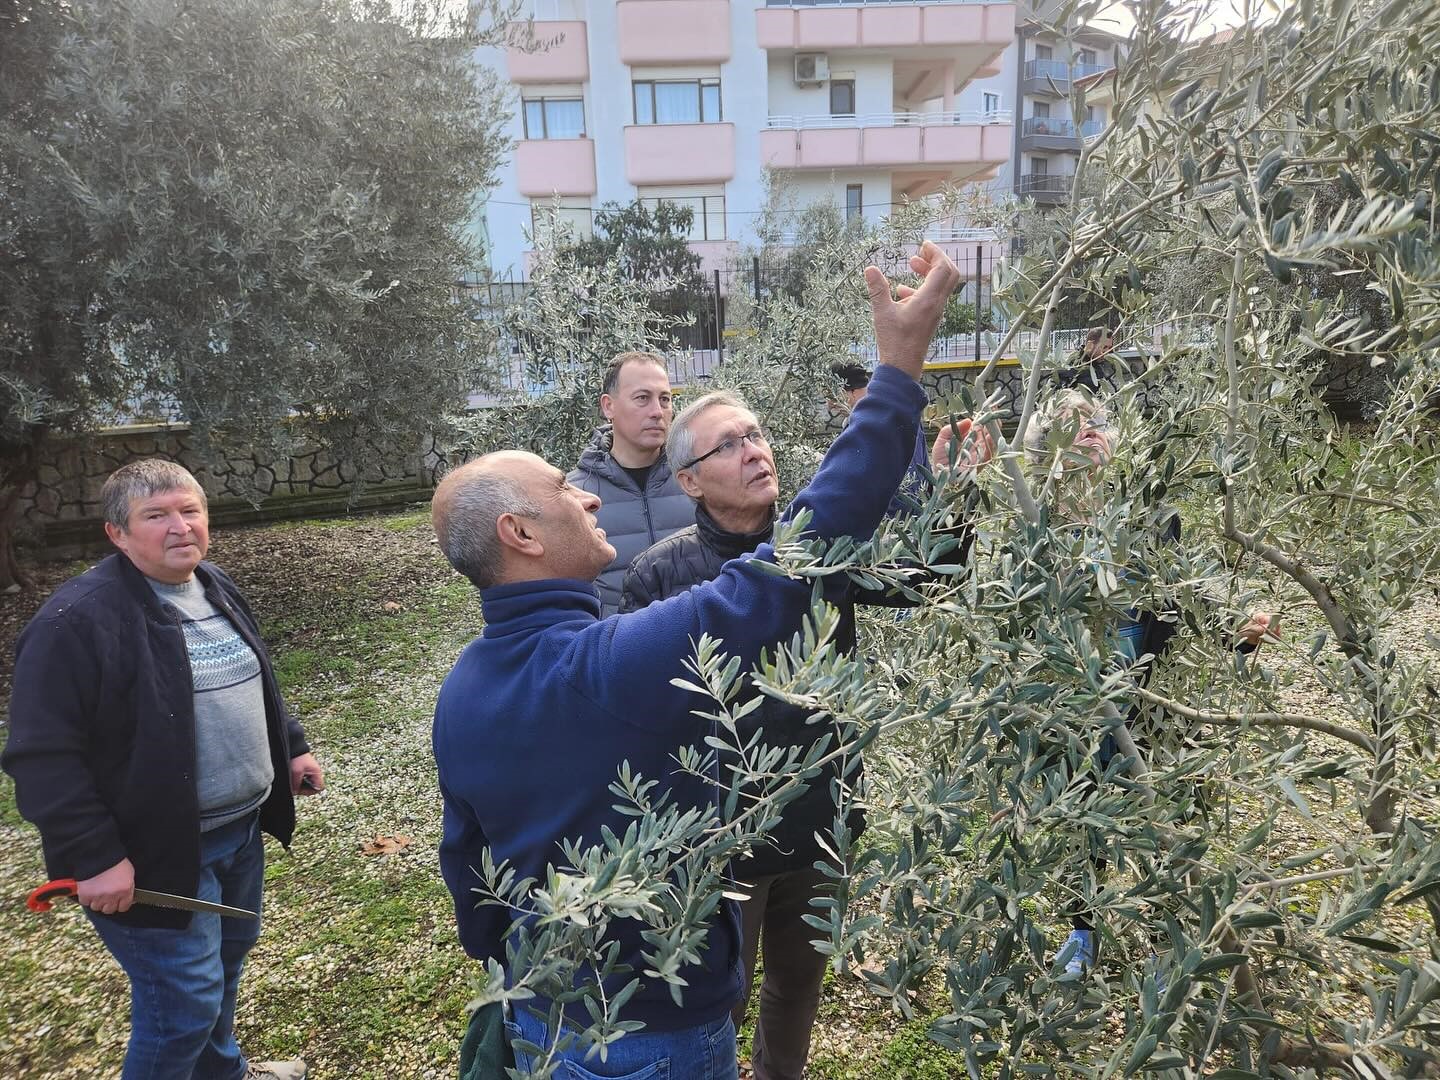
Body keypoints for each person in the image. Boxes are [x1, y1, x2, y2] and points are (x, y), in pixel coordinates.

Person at [430, 241, 962, 1078]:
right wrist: (895, 376)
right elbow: (793, 563)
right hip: (658, 1032)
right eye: (563, 491)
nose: (591, 492)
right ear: (520, 534)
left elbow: (467, 867)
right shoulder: (606, 666)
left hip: (546, 1015)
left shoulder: (461, 689)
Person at [619, 392, 989, 1080]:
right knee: (717, 1004)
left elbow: (928, 582)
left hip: (822, 823)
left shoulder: (821, 549)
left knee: (797, 989)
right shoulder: (661, 577)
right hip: (722, 845)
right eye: (727, 444)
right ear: (690, 481)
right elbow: (641, 717)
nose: (754, 450)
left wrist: (956, 498)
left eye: (755, 434)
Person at [2, 459, 324, 1080]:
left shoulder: (214, 584)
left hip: (237, 833)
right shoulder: (76, 622)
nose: (180, 527)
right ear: (117, 534)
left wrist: (291, 747)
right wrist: (91, 855)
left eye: (190, 510)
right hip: (155, 852)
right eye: (156, 516)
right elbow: (41, 756)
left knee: (223, 970)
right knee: (183, 1005)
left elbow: (255, 676)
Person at [1020, 391, 1276, 978]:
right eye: (1068, 427)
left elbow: (1187, 596)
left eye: (1095, 423)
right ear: (1045, 451)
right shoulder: (1040, 528)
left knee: (1161, 812)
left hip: (1151, 701)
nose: (1086, 433)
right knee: (1082, 815)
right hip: (1076, 706)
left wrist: (1236, 629)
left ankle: (1172, 932)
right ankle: (1083, 932)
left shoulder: (1151, 516)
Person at [567, 351, 695, 615]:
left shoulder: (698, 480)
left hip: (699, 650)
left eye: (665, 399)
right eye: (642, 398)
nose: (657, 412)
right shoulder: (575, 495)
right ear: (608, 406)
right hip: (614, 650)